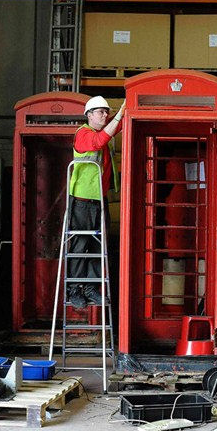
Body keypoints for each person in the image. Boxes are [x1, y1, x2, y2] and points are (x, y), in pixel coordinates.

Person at [66, 96, 126, 309]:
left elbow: (114, 129)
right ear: (89, 115)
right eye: (100, 111)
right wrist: (119, 116)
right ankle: (74, 290)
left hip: (99, 199)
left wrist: (126, 112)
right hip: (82, 200)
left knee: (97, 246)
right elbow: (97, 142)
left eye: (106, 111)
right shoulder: (83, 134)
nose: (104, 115)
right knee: (81, 245)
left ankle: (91, 289)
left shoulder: (102, 134)